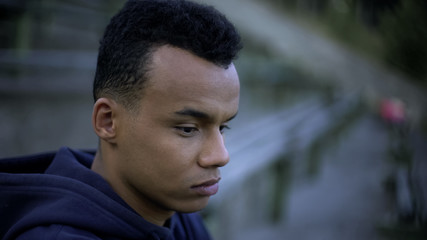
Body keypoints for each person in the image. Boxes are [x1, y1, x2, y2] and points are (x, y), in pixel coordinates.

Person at [0, 0, 242, 239]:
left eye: (222, 127)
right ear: (108, 121)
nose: (221, 156)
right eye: (188, 129)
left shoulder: (178, 213)